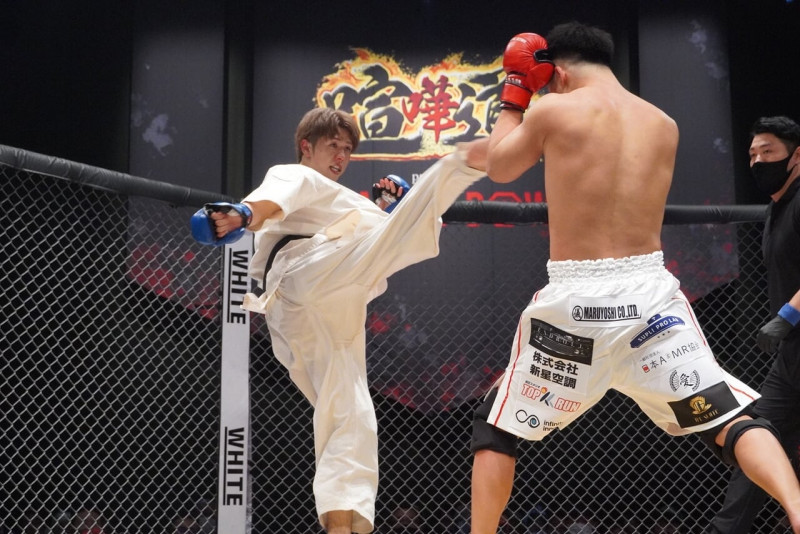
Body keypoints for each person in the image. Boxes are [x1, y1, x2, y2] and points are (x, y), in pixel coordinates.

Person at [469, 22, 800, 534]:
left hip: (576, 302)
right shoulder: (663, 122)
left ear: (556, 73)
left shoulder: (553, 109)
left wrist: (515, 94)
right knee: (727, 417)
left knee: (497, 425)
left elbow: (499, 166)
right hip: (651, 297)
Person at [191, 107, 488, 533]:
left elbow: (373, 230)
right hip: (307, 272)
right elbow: (277, 195)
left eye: (347, 149)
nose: (341, 156)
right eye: (333, 146)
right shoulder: (298, 174)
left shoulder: (345, 202)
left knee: (350, 415)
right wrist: (242, 215)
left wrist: (388, 207)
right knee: (399, 233)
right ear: (306, 146)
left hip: (323, 312)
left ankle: (342, 526)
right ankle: (460, 164)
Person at [707, 115, 800, 533]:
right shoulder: (777, 208)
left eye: (769, 152)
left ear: (796, 156)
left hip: (792, 336)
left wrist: (787, 316)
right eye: (752, 154)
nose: (758, 161)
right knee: (758, 438)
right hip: (791, 357)